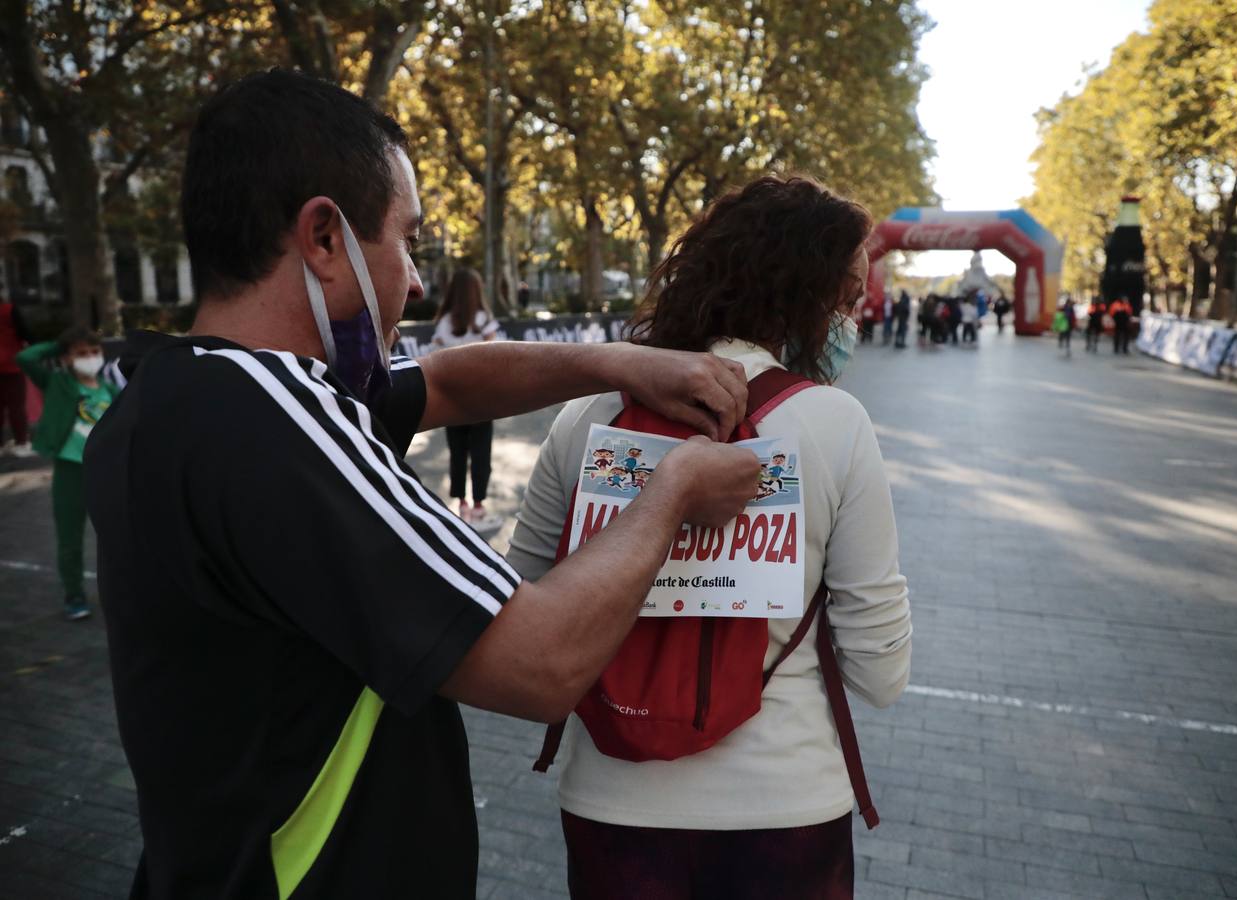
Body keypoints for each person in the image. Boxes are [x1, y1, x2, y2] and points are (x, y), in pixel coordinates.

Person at [83, 70, 763, 898]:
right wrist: (676, 488)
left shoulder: (176, 396)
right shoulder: (272, 417)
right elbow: (541, 662)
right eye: (406, 240)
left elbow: (447, 383)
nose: (412, 281)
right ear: (324, 238)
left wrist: (621, 362)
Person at [508, 174, 912, 898]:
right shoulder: (834, 422)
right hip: (786, 805)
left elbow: (522, 602)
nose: (853, 313)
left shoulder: (587, 417)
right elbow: (880, 670)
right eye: (847, 295)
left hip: (610, 801)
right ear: (804, 293)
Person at [17, 326, 117, 620]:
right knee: (70, 538)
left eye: (94, 351)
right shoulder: (57, 382)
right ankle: (74, 595)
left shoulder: (111, 390)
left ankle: (119, 592)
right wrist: (58, 345)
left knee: (115, 537)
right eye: (81, 353)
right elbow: (25, 358)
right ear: (67, 359)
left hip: (104, 472)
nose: (90, 358)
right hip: (70, 470)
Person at [432, 268, 503, 532]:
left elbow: (437, 358)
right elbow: (494, 357)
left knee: (457, 452)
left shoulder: (443, 323)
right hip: (482, 399)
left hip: (452, 399)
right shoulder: (484, 321)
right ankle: (479, 506)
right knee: (481, 452)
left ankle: (461, 504)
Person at [0, 297, 34, 456]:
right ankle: (21, 442)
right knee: (16, 407)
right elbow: (26, 333)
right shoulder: (9, 310)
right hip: (11, 364)